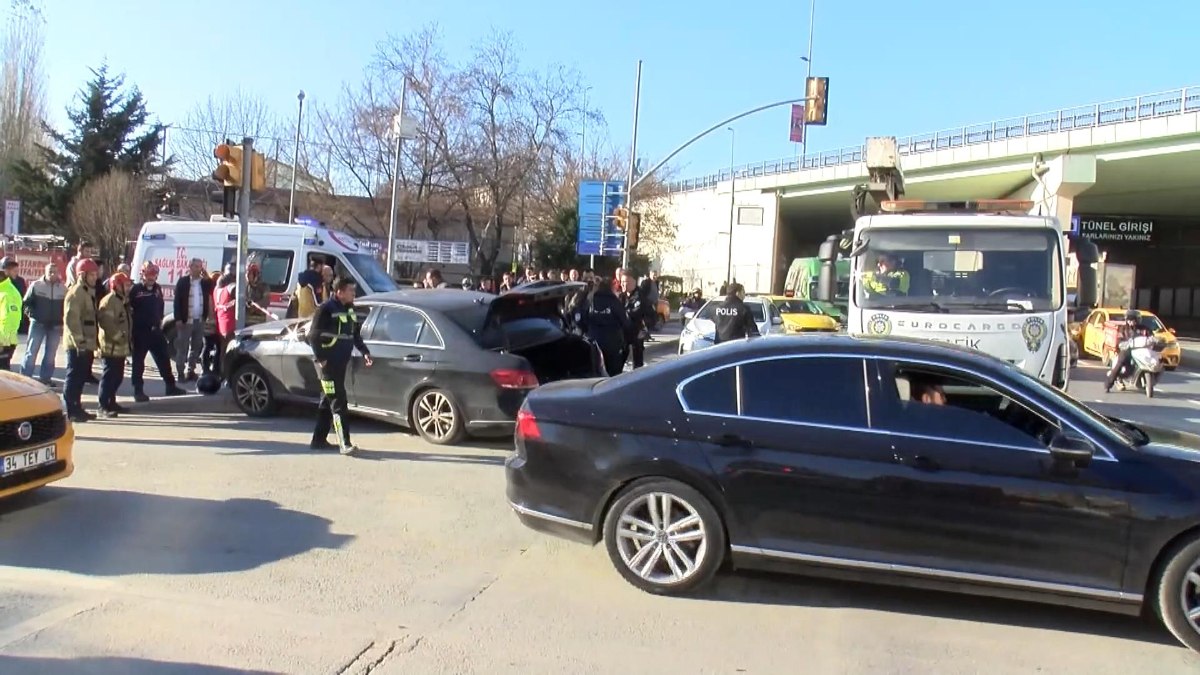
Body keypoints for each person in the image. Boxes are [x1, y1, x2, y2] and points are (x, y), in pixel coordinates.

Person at [308, 277, 372, 454]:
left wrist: (364, 351)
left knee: (326, 401)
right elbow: (313, 336)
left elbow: (355, 335)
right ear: (339, 292)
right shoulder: (325, 309)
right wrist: (322, 359)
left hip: (341, 364)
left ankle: (318, 440)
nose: (354, 293)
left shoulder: (350, 309)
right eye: (351, 290)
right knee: (338, 401)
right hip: (327, 367)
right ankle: (345, 443)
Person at [128, 262, 186, 401]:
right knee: (138, 363)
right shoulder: (135, 290)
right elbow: (128, 310)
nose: (151, 278)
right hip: (140, 332)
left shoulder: (157, 289)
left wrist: (159, 321)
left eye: (154, 275)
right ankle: (138, 390)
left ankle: (170, 386)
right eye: (148, 275)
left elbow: (160, 306)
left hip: (156, 331)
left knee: (164, 359)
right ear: (142, 275)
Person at [63, 258, 100, 422]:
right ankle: (71, 408)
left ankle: (77, 406)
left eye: (95, 274)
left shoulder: (87, 292)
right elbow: (72, 320)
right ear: (82, 275)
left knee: (80, 377)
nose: (95, 278)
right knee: (74, 376)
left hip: (86, 343)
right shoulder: (76, 292)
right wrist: (80, 343)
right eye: (91, 274)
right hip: (77, 344)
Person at [574, 277, 630, 377]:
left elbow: (581, 319)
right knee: (614, 375)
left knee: (596, 373)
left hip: (594, 342)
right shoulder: (614, 302)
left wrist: (588, 331)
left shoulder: (590, 301)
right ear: (610, 288)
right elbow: (625, 322)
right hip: (612, 343)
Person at [20, 263, 65, 384]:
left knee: (50, 355)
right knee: (31, 352)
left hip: (55, 326)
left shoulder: (63, 288)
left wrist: (62, 321)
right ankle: (25, 378)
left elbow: (66, 307)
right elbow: (26, 303)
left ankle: (45, 379)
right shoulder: (36, 285)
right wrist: (32, 315)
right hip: (38, 324)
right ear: (45, 272)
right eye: (50, 271)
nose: (52, 274)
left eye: (55, 271)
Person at [97, 272, 134, 418]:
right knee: (108, 377)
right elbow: (107, 323)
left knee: (117, 377)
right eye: (125, 285)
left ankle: (111, 402)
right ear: (117, 286)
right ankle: (103, 406)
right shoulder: (110, 301)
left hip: (119, 347)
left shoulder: (122, 300)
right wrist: (119, 337)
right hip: (110, 347)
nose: (128, 288)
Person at [173, 258, 214, 381]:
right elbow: (177, 302)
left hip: (199, 319)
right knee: (183, 347)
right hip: (186, 320)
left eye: (200, 266)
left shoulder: (203, 283)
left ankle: (191, 370)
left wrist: (207, 277)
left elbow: (212, 287)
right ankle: (180, 372)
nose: (198, 269)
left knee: (196, 347)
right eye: (196, 266)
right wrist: (178, 319)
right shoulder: (183, 282)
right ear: (190, 267)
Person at [1105, 309, 1153, 393]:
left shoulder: (1144, 329)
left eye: (1133, 320)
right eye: (1129, 320)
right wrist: (1123, 344)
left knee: (1154, 362)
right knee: (1120, 363)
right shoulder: (1123, 329)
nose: (1131, 322)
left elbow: (1152, 336)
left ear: (1138, 320)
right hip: (1127, 351)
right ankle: (1109, 384)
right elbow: (1119, 340)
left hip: (1141, 351)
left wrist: (1156, 340)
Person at [0, 257, 21, 370]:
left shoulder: (9, 293)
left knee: (3, 375)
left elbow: (9, 319)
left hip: (4, 342)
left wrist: (3, 342)